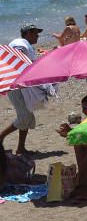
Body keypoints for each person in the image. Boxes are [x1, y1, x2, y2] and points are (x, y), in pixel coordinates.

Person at [0, 24, 51, 155]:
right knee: (25, 117)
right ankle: (1, 136)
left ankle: (21, 148)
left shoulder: (26, 44)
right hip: (16, 85)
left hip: (20, 85)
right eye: (35, 33)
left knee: (28, 116)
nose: (38, 36)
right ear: (28, 33)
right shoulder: (20, 43)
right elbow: (18, 57)